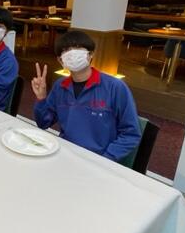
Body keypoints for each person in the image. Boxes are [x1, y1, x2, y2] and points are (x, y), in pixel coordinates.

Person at [32, 30, 141, 162]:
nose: (72, 53)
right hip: (65, 154)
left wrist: (106, 159)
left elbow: (131, 134)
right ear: (60, 60)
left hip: (98, 160)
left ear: (90, 54)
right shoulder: (60, 86)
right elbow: (43, 123)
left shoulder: (115, 87)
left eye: (77, 48)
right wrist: (41, 98)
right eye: (66, 50)